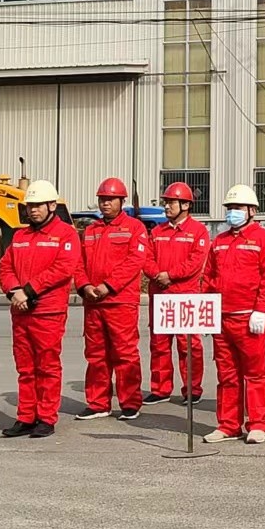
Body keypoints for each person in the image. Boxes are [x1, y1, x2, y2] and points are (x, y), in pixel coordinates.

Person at [0, 180, 85, 438]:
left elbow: (63, 269)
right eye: (30, 206)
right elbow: (5, 267)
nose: (33, 210)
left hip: (48, 312)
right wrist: (14, 290)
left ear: (52, 206)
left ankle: (46, 418)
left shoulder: (66, 234)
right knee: (25, 367)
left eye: (38, 205)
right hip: (21, 310)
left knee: (47, 366)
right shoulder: (20, 236)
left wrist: (29, 290)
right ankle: (26, 417)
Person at [203, 185, 265, 444]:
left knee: (255, 373)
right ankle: (228, 425)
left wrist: (261, 309)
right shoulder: (219, 241)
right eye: (229, 208)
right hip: (223, 318)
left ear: (252, 211)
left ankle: (257, 423)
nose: (232, 212)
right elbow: (209, 277)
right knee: (226, 374)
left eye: (237, 208)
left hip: (249, 318)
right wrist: (206, 311)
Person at [76, 178, 153, 421]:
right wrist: (84, 286)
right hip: (93, 302)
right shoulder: (91, 230)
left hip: (120, 302)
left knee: (125, 353)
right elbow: (78, 264)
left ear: (122, 201)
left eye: (110, 199)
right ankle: (98, 403)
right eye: (102, 199)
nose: (105, 203)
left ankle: (130, 403)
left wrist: (108, 286)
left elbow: (134, 261)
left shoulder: (134, 228)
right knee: (95, 354)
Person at [144, 181, 208, 406]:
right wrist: (156, 275)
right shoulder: (157, 231)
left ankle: (192, 389)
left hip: (185, 295)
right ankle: (160, 389)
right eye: (166, 202)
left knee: (188, 346)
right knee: (159, 344)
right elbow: (146, 258)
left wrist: (170, 275)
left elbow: (195, 261)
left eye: (171, 202)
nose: (167, 206)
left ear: (186, 205)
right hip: (160, 294)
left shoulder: (198, 231)